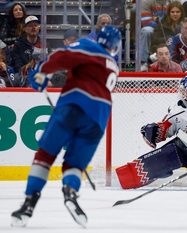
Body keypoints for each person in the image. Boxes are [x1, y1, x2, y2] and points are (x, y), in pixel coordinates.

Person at [11, 25, 121, 227]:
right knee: (74, 164)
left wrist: (42, 73)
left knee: (45, 156)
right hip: (99, 119)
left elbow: (62, 55)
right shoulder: (114, 64)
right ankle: (70, 193)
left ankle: (28, 204)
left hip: (75, 106)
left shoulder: (89, 46)